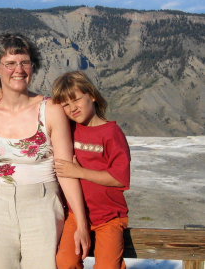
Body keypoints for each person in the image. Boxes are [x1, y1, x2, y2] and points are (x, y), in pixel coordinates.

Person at [0, 33, 90, 269]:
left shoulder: (51, 109)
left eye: (25, 62)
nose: (19, 69)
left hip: (43, 205)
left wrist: (81, 222)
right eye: (10, 63)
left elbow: (66, 169)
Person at [52, 71, 131, 269]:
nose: (72, 108)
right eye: (65, 105)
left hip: (109, 217)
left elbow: (120, 178)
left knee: (107, 266)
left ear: (92, 95)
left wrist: (79, 172)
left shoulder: (112, 133)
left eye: (76, 100)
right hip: (74, 214)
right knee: (65, 262)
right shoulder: (68, 131)